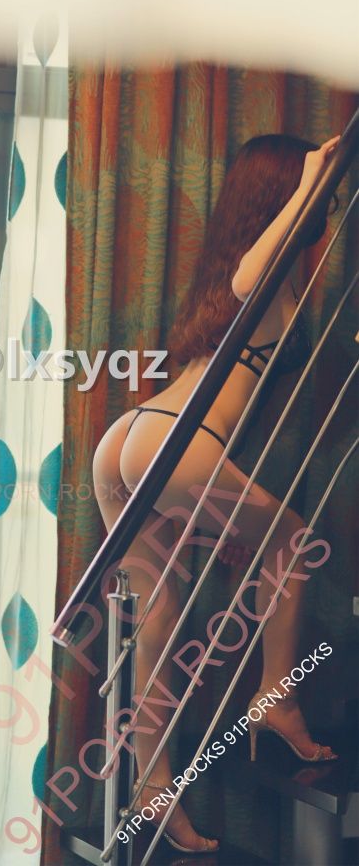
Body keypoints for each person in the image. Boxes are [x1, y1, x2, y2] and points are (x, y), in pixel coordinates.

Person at [92, 132, 341, 854]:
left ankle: (152, 785)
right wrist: (313, 178)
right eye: (319, 198)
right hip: (177, 439)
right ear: (285, 195)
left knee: (159, 615)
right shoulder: (259, 276)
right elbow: (249, 280)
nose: (326, 209)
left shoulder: (230, 273)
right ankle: (276, 697)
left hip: (133, 435)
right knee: (292, 541)